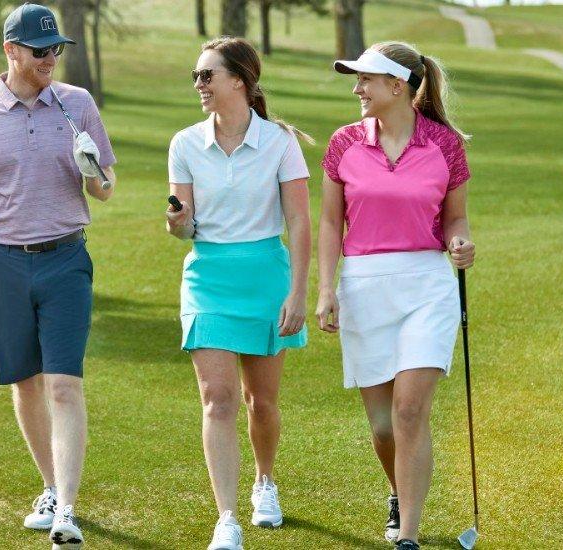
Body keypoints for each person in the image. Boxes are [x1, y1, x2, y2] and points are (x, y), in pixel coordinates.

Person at [0, 4, 116, 549]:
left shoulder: (77, 104)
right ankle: (50, 487)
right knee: (25, 382)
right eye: (40, 51)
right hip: (5, 264)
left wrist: (93, 169)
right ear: (11, 50)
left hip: (66, 260)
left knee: (63, 382)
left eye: (56, 49)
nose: (50, 59)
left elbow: (105, 189)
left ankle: (67, 508)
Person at [315, 42, 475, 550]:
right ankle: (397, 493)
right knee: (384, 427)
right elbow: (329, 222)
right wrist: (325, 288)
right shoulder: (343, 143)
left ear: (397, 85)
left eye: (365, 79)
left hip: (426, 285)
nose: (357, 89)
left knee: (409, 412)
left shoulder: (445, 144)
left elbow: (455, 218)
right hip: (364, 285)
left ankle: (409, 535)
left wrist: (460, 242)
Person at [165, 37, 313, 550]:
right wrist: (178, 224)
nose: (199, 84)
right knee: (218, 399)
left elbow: (299, 221)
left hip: (266, 278)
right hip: (208, 278)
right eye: (196, 76)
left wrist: (299, 292)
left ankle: (264, 480)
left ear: (239, 81)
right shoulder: (184, 143)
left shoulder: (280, 142)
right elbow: (184, 227)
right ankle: (227, 519)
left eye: (207, 75)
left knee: (261, 402)